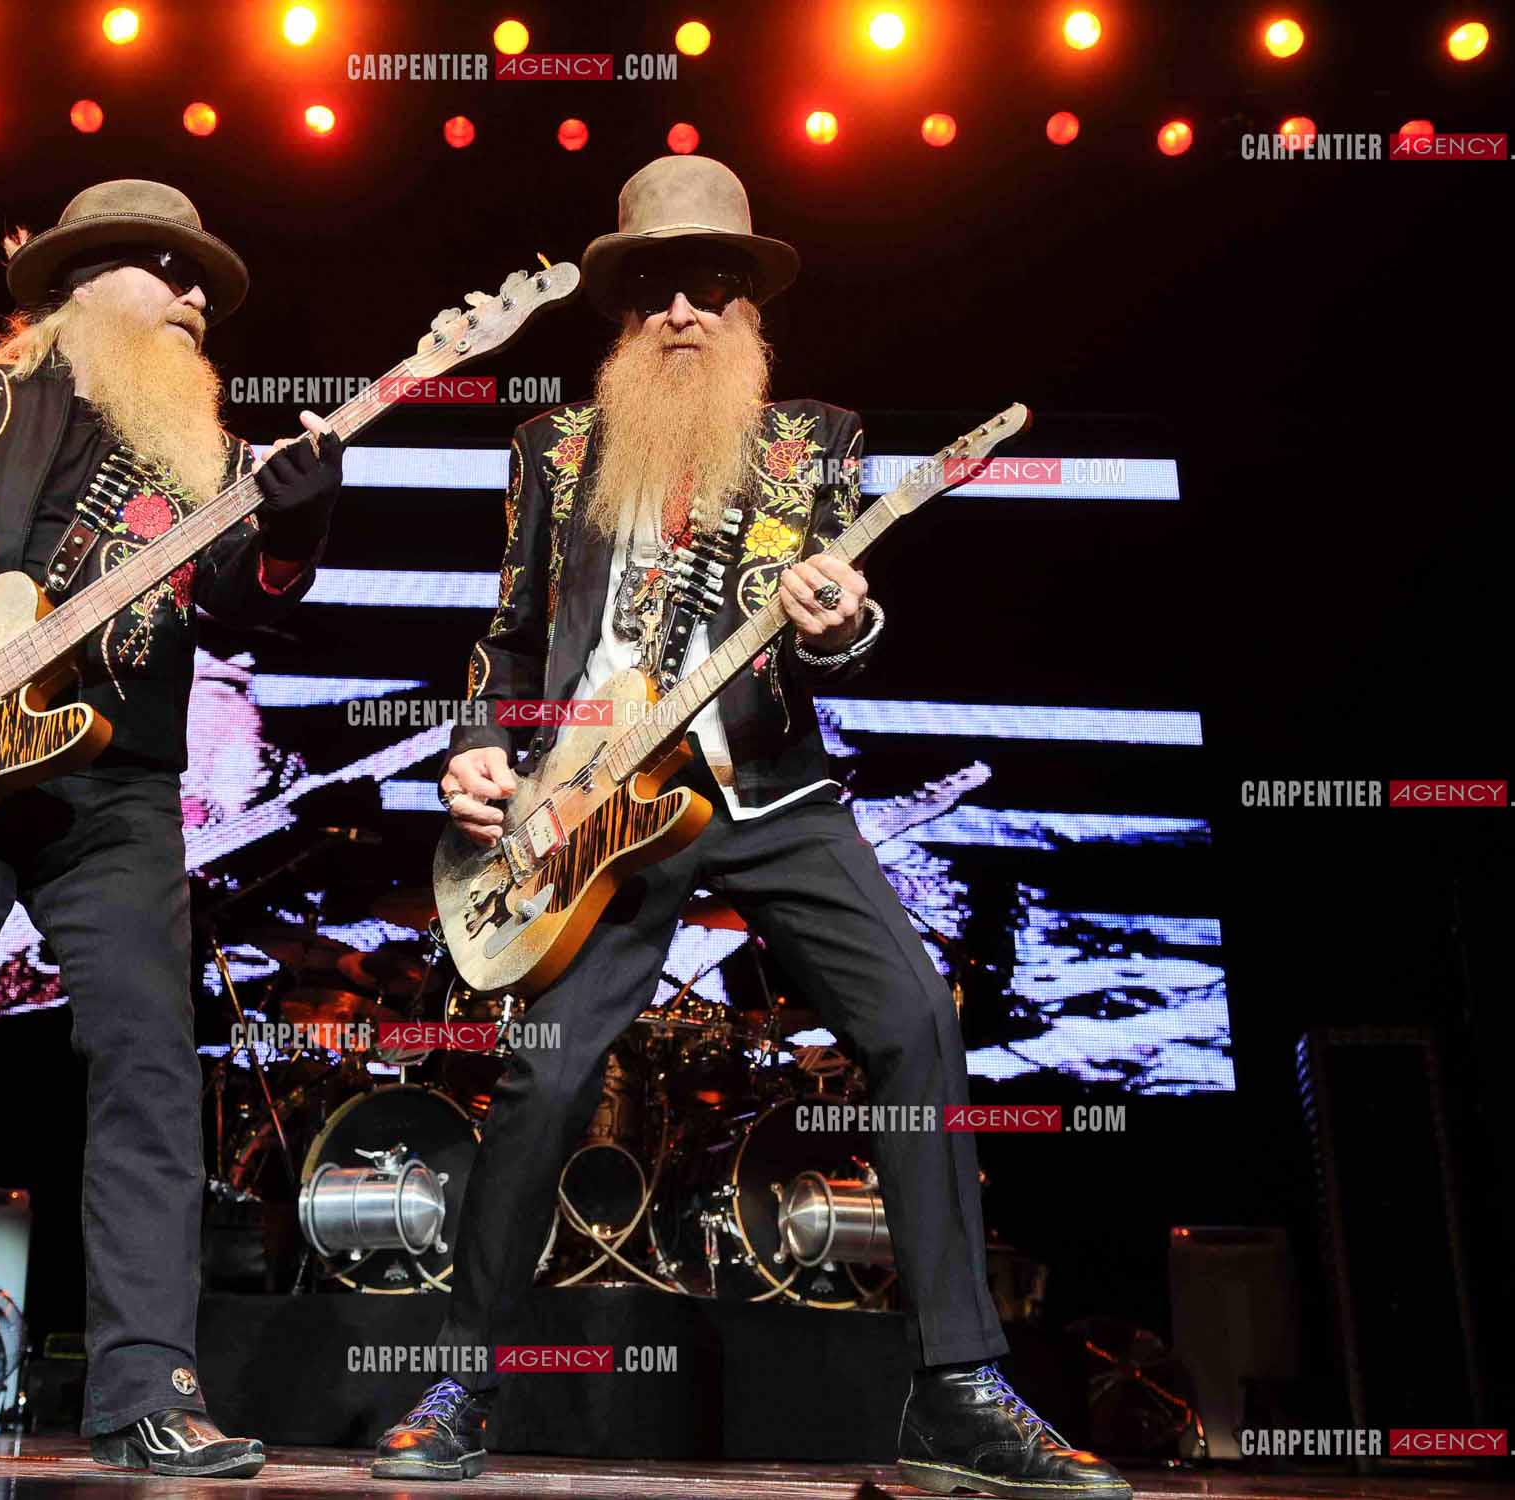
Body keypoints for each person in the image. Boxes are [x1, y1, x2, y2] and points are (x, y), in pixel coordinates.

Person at [372, 155, 1129, 1500]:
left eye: (708, 284)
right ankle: (465, 1381)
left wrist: (846, 623)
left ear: (746, 304)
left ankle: (954, 1389)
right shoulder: (549, 449)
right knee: (540, 1079)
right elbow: (508, 635)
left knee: (913, 1024)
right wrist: (479, 747)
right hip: (591, 817)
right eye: (655, 286)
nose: (681, 310)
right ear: (620, 309)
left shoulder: (814, 445)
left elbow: (836, 615)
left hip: (768, 791)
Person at [0, 178, 341, 1477]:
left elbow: (246, 616)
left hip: (115, 779)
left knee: (147, 1057)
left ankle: (150, 1385)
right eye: (168, 267)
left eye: (206, 277)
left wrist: (293, 531)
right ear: (80, 276)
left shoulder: (199, 453)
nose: (199, 295)